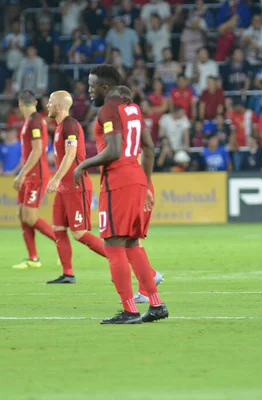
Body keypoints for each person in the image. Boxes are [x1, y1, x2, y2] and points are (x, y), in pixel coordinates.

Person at [73, 65, 168, 324]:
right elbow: (148, 148)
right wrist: (146, 183)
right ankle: (156, 305)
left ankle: (129, 310)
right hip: (136, 177)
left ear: (105, 88)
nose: (89, 91)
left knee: (113, 245)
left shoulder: (109, 109)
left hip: (118, 181)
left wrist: (84, 164)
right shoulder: (133, 109)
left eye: (92, 86)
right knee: (131, 244)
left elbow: (113, 151)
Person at [44, 90, 106, 283]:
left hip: (76, 185)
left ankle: (119, 258)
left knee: (79, 233)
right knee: (58, 228)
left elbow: (71, 154)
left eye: (50, 102)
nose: (47, 105)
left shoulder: (70, 125)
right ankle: (68, 273)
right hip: (65, 187)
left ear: (60, 106)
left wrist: (55, 178)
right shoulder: (60, 127)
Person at [116, 85, 164, 304]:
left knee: (129, 239)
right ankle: (148, 284)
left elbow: (144, 152)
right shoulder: (134, 125)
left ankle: (149, 282)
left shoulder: (124, 130)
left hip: (136, 185)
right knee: (130, 239)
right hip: (138, 183)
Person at [11, 90, 56, 270]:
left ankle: (61, 243)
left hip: (36, 174)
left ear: (20, 104)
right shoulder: (31, 121)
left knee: (29, 216)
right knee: (22, 214)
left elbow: (37, 151)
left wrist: (21, 174)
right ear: (36, 102)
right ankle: (33, 258)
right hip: (29, 174)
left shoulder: (35, 121)